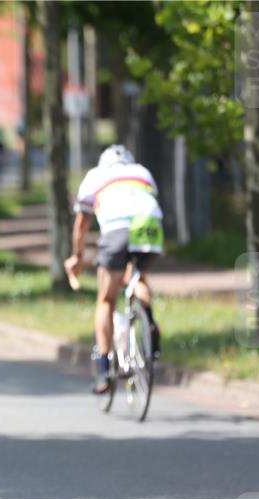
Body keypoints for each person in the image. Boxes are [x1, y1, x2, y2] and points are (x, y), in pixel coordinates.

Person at [65, 144, 164, 394]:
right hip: (150, 226)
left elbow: (82, 222)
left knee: (106, 301)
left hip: (117, 229)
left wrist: (77, 257)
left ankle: (103, 370)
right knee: (136, 277)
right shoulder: (142, 172)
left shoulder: (95, 176)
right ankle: (150, 322)